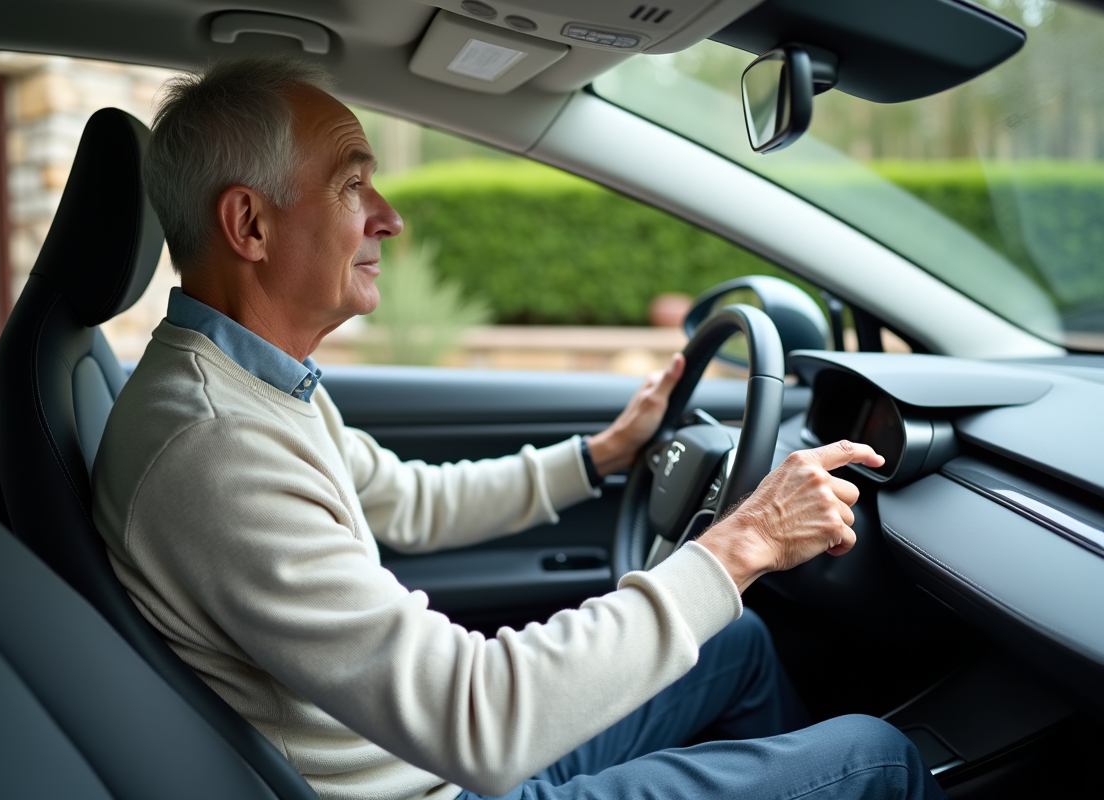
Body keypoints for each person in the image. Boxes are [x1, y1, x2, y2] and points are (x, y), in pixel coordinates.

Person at [92, 56, 943, 800]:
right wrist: (743, 542)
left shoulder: (253, 385)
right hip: (446, 784)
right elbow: (480, 721)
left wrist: (601, 456)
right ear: (250, 224)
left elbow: (406, 501)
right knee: (874, 759)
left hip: (432, 762)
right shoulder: (216, 449)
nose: (389, 217)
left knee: (738, 642)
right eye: (352, 184)